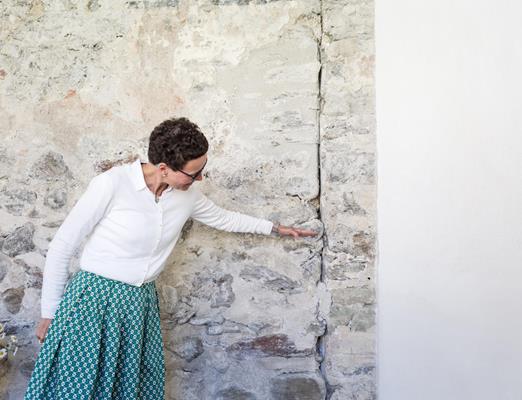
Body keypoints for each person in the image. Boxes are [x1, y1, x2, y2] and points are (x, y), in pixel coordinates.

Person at [23, 117, 317, 399]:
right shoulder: (112, 184)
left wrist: (276, 228)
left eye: (202, 169)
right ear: (164, 167)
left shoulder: (185, 196)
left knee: (128, 387)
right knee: (80, 385)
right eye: (193, 173)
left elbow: (225, 218)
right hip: (94, 301)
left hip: (139, 304)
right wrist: (50, 312)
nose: (200, 178)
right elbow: (62, 246)